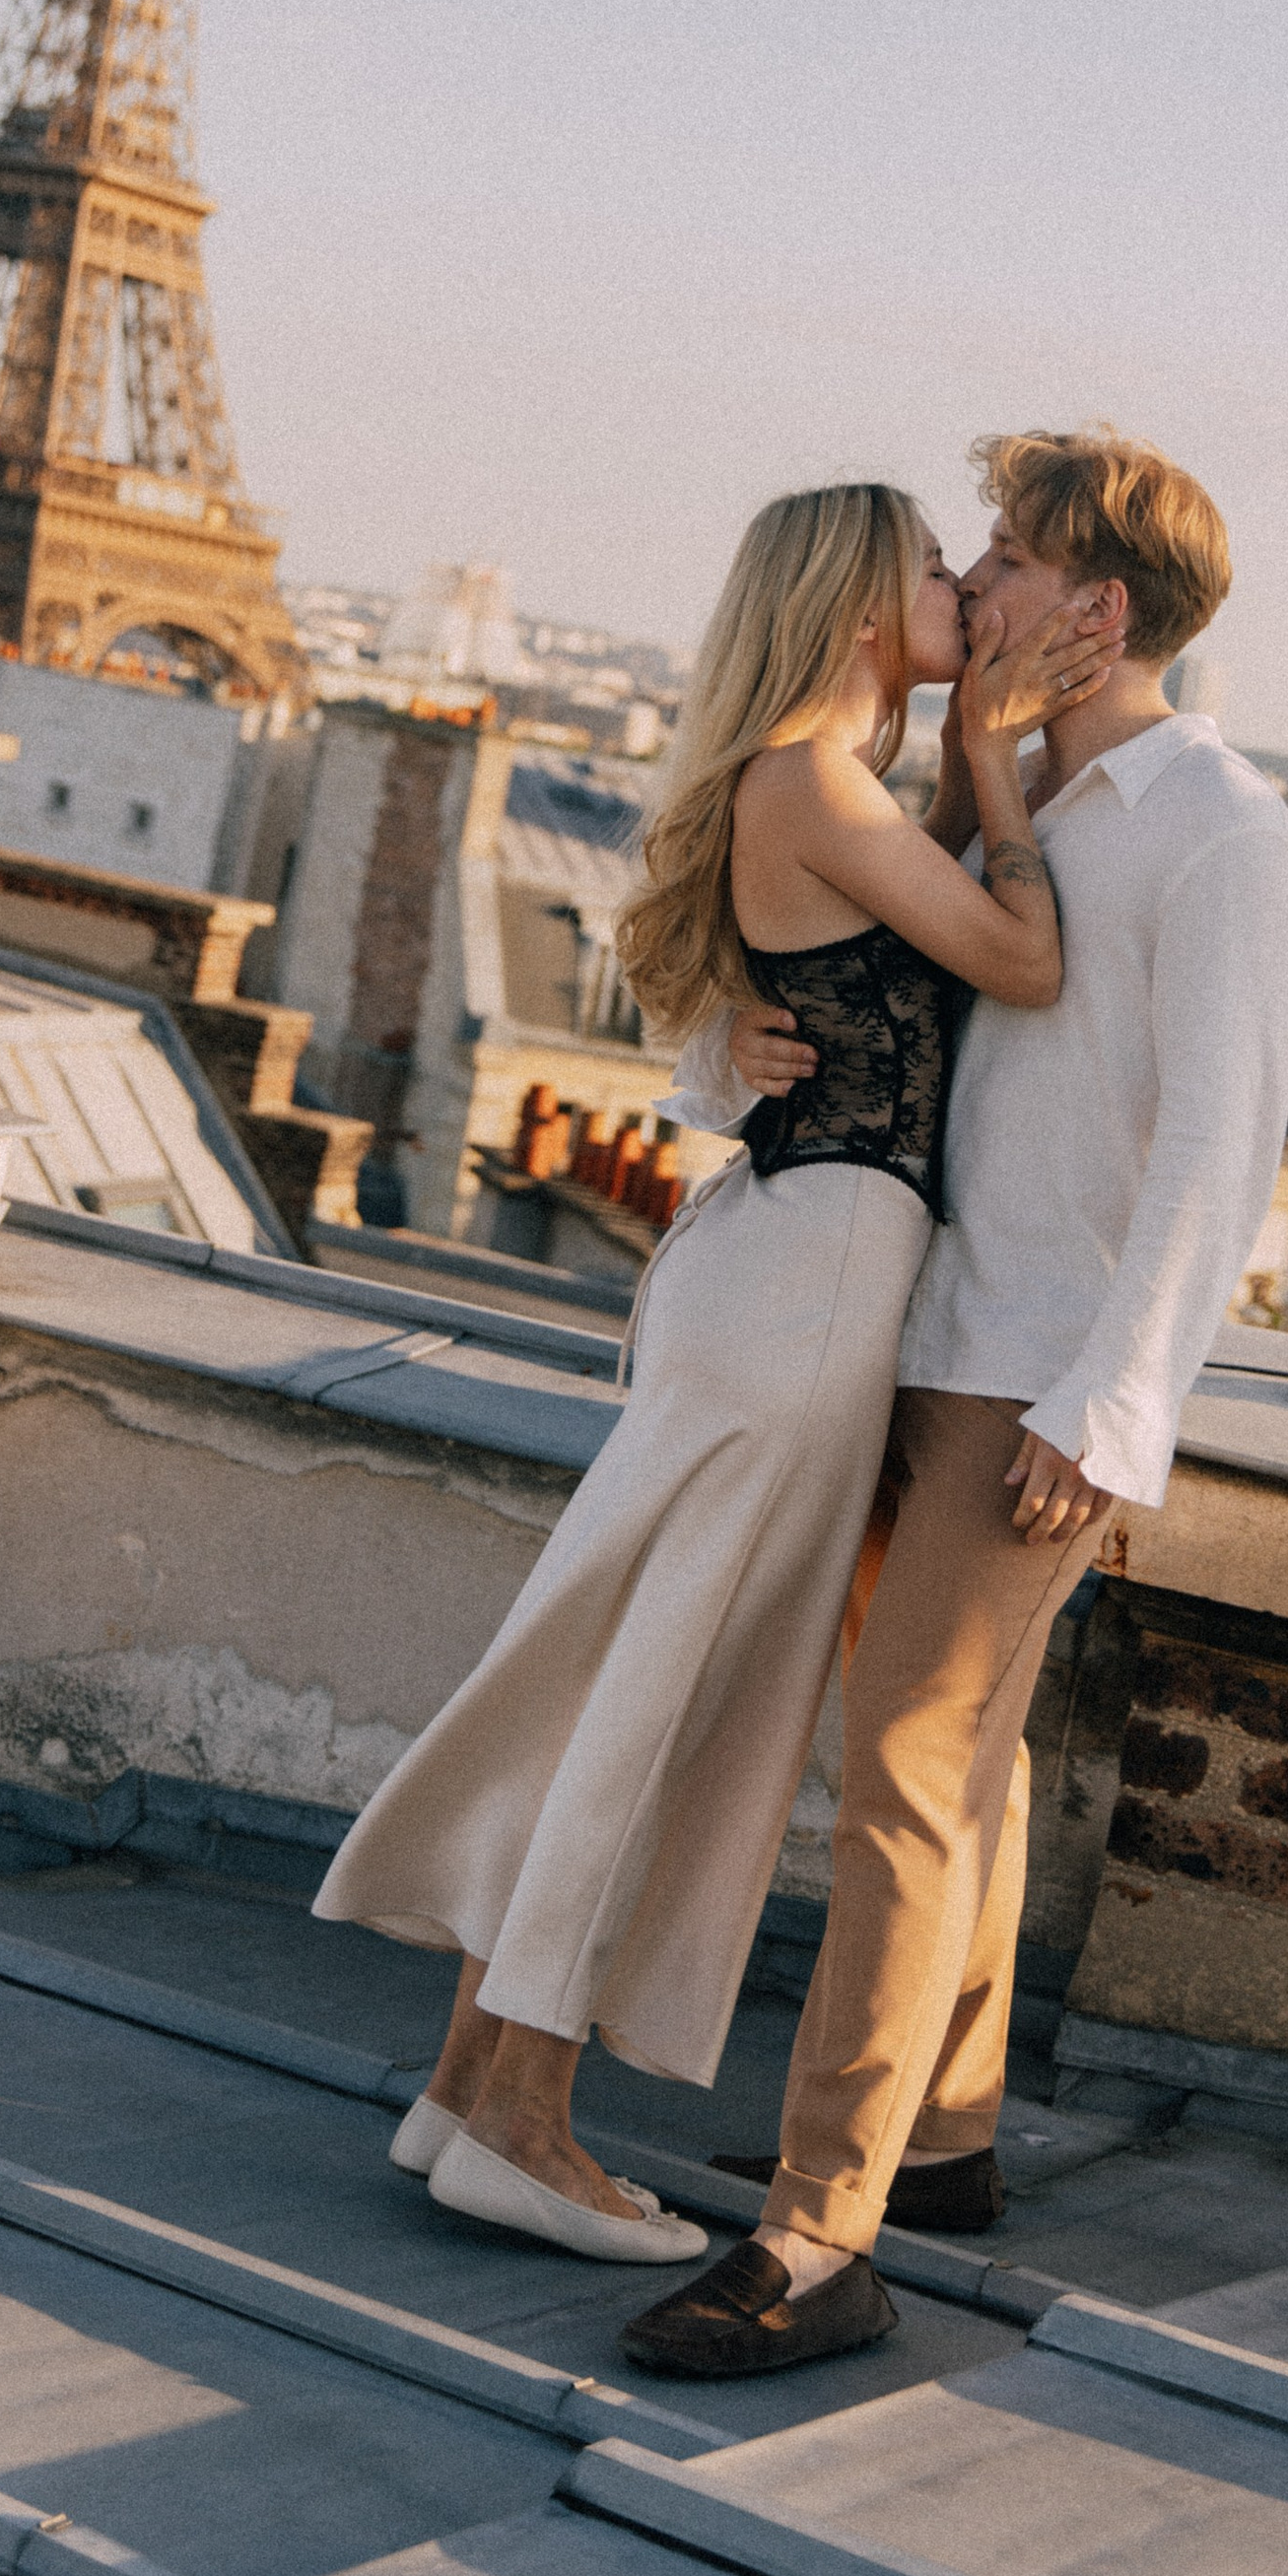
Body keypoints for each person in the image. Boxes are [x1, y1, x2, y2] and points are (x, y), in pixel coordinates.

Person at [311, 480, 1110, 2267]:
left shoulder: (812, 786)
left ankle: (466, 2091)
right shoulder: (821, 783)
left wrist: (724, 1052)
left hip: (787, 1266)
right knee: (655, 1709)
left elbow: (784, 1010)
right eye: (931, 566)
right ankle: (521, 2121)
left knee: (623, 1680)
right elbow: (1028, 959)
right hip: (811, 1285)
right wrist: (997, 755)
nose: (962, 592)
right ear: (847, 598)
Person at [622, 427, 1288, 2376]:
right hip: (903, 1332)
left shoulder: (1216, 829)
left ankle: (813, 2231)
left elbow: (1218, 1146)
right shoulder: (995, 788)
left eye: (1006, 559)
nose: (974, 587)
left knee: (903, 1778)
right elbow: (847, 991)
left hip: (1032, 1375)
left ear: (1095, 611)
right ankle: (939, 2133)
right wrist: (716, 1055)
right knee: (965, 1763)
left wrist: (1115, 1402)